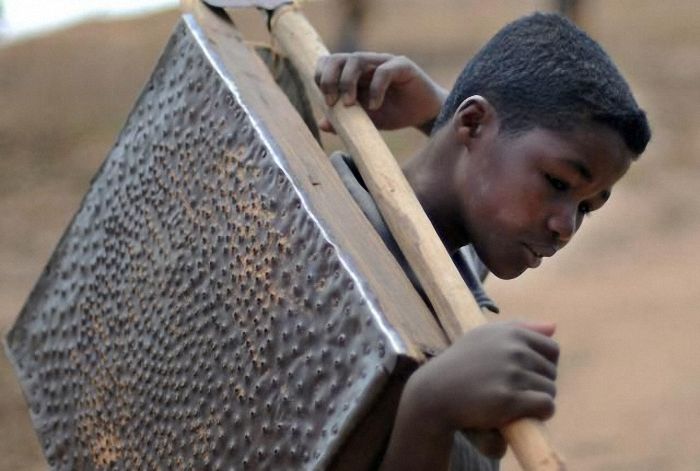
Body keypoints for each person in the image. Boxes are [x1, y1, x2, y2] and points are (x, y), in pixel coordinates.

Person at [313, 12, 650, 471]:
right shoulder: (322, 263)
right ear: (472, 124)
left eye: (587, 207)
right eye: (557, 182)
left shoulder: (459, 254)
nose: (567, 226)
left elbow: (477, 164)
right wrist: (430, 409)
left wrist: (442, 115)